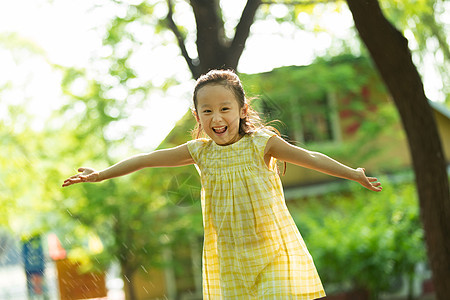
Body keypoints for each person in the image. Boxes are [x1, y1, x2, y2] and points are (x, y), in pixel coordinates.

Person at [63, 69, 382, 299]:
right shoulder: (199, 152)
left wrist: (352, 173)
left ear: (242, 111)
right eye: (208, 111)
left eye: (225, 109)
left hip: (272, 253)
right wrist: (101, 173)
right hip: (228, 259)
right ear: (196, 115)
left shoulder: (261, 144)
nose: (217, 118)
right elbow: (146, 158)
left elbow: (310, 157)